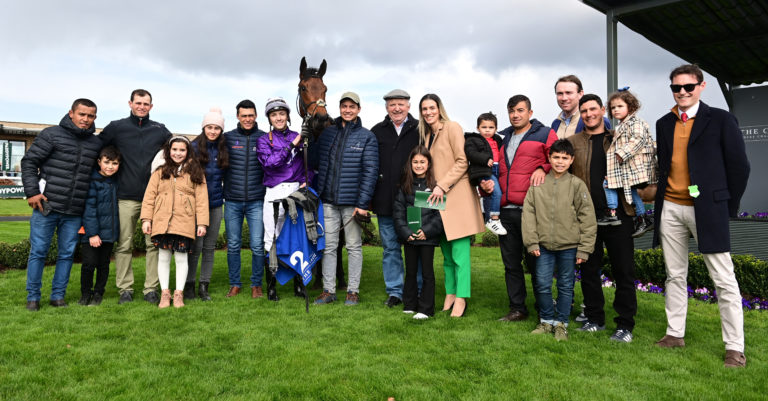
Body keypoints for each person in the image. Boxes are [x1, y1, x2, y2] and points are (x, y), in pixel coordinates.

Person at [653, 64, 750, 368]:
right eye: (676, 88)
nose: (682, 92)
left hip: (707, 208)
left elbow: (740, 168)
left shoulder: (721, 119)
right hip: (670, 206)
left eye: (688, 87)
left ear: (701, 86)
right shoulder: (663, 123)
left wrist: (725, 206)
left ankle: (735, 347)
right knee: (674, 274)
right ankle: (674, 333)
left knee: (724, 279)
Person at [567, 94, 637, 343]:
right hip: (587, 218)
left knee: (623, 271)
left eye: (593, 109)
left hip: (619, 215)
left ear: (602, 110)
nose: (588, 114)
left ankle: (625, 325)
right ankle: (594, 319)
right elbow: (559, 165)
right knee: (588, 271)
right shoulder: (573, 142)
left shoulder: (618, 137)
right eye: (584, 110)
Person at [21, 98, 103, 311]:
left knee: (66, 255)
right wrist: (32, 192)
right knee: (39, 251)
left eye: (91, 116)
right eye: (82, 114)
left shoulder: (96, 143)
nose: (86, 119)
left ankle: (58, 296)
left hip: (74, 211)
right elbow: (29, 162)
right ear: (71, 113)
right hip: (46, 207)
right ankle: (33, 297)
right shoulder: (51, 134)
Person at [99, 89, 172, 304]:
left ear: (151, 106)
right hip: (125, 196)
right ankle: (125, 289)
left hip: (154, 198)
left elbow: (178, 150)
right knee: (124, 245)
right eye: (138, 102)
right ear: (130, 103)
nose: (142, 106)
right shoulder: (116, 127)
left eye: (146, 103)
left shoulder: (159, 130)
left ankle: (151, 289)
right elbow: (98, 150)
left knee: (153, 245)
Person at [522, 139, 596, 341]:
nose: (560, 162)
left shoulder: (576, 185)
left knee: (566, 285)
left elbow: (587, 219)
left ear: (571, 160)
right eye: (556, 157)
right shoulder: (538, 184)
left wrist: (584, 249)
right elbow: (528, 215)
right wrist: (532, 242)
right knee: (543, 284)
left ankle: (561, 323)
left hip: (569, 247)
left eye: (565, 158)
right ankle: (546, 320)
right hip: (543, 246)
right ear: (549, 158)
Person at [419, 93, 485, 318]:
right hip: (438, 200)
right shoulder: (427, 136)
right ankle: (450, 292)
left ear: (439, 109)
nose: (428, 112)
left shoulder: (452, 127)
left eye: (432, 108)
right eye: (424, 109)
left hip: (456, 197)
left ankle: (462, 297)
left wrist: (442, 185)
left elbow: (462, 161)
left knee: (459, 254)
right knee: (446, 254)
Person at [313, 92, 379, 306]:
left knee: (353, 247)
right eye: (344, 106)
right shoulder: (328, 134)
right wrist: (308, 135)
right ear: (339, 108)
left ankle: (352, 291)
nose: (348, 110)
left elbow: (370, 172)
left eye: (352, 106)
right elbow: (315, 160)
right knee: (329, 247)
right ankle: (328, 290)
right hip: (329, 201)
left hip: (352, 204)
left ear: (358, 109)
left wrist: (362, 204)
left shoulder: (367, 137)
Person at [496, 95, 558, 322]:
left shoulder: (545, 133)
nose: (515, 115)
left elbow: (559, 157)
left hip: (531, 210)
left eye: (520, 110)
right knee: (511, 263)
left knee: (537, 262)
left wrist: (543, 166)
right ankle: (517, 309)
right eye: (511, 110)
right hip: (506, 209)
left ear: (530, 113)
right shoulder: (504, 137)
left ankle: (544, 308)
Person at [141, 136, 209, 309]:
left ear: (188, 152)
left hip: (184, 222)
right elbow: (149, 197)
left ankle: (178, 294)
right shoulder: (159, 171)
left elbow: (201, 200)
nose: (178, 153)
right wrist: (147, 219)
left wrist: (201, 223)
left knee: (181, 257)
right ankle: (165, 293)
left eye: (182, 150)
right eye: (175, 149)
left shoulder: (195, 172)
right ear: (168, 151)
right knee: (163, 257)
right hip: (162, 221)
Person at [370, 89, 420, 308]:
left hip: (414, 200)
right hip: (385, 200)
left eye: (401, 104)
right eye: (392, 105)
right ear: (386, 108)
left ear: (409, 106)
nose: (397, 108)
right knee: (390, 248)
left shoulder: (420, 129)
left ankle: (417, 290)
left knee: (416, 245)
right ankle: (395, 292)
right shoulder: (377, 131)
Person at [257, 97, 306, 299]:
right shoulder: (264, 139)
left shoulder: (299, 135)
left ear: (287, 115)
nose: (278, 118)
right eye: (274, 114)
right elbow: (270, 164)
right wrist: (292, 144)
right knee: (272, 237)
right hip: (274, 191)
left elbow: (307, 165)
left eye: (282, 114)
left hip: (295, 189)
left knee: (296, 236)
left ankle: (298, 285)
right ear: (269, 117)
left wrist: (306, 180)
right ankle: (271, 286)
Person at [222, 100, 268, 299]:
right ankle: (235, 284)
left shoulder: (265, 138)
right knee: (233, 244)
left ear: (256, 115)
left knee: (257, 244)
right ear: (238, 117)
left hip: (257, 201)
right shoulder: (227, 138)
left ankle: (256, 284)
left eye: (251, 115)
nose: (248, 119)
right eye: (244, 116)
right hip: (232, 200)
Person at [393, 146, 443, 319]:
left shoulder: (435, 186)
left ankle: (426, 309)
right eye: (415, 162)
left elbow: (439, 216)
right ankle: (410, 303)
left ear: (428, 164)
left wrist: (426, 232)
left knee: (427, 272)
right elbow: (398, 213)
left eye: (422, 162)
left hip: (427, 237)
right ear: (410, 164)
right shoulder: (404, 185)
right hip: (410, 237)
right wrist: (406, 232)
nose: (419, 165)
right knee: (411, 271)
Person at [186, 107, 228, 301]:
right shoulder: (193, 148)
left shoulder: (223, 148)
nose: (213, 131)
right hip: (195, 206)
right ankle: (189, 285)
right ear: (203, 128)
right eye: (209, 127)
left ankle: (204, 285)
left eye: (217, 128)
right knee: (195, 247)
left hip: (216, 204)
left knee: (209, 247)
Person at [604, 90, 656, 236]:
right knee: (630, 192)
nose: (616, 110)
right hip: (627, 167)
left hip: (634, 167)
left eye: (620, 106)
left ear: (631, 107)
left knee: (608, 184)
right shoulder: (622, 125)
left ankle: (613, 213)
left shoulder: (636, 122)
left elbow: (639, 139)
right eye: (613, 107)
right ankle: (642, 218)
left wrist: (622, 153)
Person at [78, 145, 121, 306]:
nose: (110, 167)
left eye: (115, 163)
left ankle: (98, 293)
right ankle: (85, 294)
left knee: (103, 265)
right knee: (89, 264)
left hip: (109, 232)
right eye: (107, 162)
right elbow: (89, 209)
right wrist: (92, 233)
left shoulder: (116, 182)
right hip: (92, 233)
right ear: (99, 162)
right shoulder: (92, 182)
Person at [464, 112, 506, 235]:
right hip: (485, 170)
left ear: (496, 129)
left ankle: (488, 218)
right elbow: (470, 153)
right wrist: (485, 159)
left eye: (491, 127)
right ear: (478, 128)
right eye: (484, 127)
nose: (487, 130)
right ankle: (494, 219)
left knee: (491, 194)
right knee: (496, 192)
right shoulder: (473, 139)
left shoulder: (498, 139)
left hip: (499, 169)